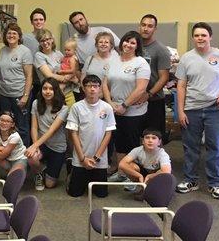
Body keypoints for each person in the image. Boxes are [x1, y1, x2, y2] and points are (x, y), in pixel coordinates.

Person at [175, 22, 219, 200]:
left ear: (210, 37)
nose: (200, 38)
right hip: (191, 110)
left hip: (216, 110)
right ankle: (191, 180)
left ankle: (215, 184)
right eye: (197, 35)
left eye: (203, 35)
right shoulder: (186, 58)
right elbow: (181, 86)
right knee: (191, 148)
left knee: (215, 147)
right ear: (193, 38)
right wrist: (180, 111)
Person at [103, 31, 150, 186]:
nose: (128, 45)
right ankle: (122, 173)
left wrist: (124, 105)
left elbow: (140, 89)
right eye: (126, 41)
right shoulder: (113, 61)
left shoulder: (141, 63)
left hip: (133, 112)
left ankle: (135, 178)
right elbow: (105, 83)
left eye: (132, 43)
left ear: (137, 46)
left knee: (132, 145)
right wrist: (109, 102)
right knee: (119, 143)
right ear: (121, 42)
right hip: (114, 110)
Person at [66, 75, 116, 198]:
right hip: (81, 158)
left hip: (99, 159)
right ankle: (71, 168)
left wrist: (97, 157)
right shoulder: (76, 107)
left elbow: (108, 134)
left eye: (95, 86)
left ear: (100, 89)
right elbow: (74, 133)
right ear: (83, 88)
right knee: (75, 193)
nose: (92, 89)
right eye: (89, 86)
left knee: (101, 194)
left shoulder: (107, 108)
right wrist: (83, 159)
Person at [25, 78, 69, 191]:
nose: (47, 91)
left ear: (56, 91)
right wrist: (36, 146)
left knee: (49, 185)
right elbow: (34, 127)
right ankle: (39, 172)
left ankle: (49, 171)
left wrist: (34, 146)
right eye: (45, 88)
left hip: (57, 147)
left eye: (51, 89)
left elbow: (51, 131)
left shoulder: (63, 108)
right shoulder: (36, 103)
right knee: (31, 157)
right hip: (42, 144)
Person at [134, 14, 172, 141]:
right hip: (133, 99)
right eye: (143, 25)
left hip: (153, 101)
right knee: (134, 136)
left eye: (150, 26)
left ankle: (154, 161)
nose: (146, 28)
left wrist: (148, 94)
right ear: (139, 26)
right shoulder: (132, 46)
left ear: (155, 29)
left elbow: (164, 77)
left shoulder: (161, 50)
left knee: (153, 138)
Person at [0, 23, 33, 145]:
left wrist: (25, 96)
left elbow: (29, 76)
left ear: (19, 36)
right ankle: (9, 152)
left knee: (22, 126)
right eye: (9, 33)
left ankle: (24, 157)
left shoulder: (25, 51)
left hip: (19, 95)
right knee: (6, 125)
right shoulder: (3, 50)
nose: (11, 35)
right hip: (4, 95)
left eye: (14, 33)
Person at [34, 29, 77, 107]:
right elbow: (49, 75)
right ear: (39, 43)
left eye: (47, 39)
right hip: (52, 95)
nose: (45, 43)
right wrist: (69, 78)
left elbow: (68, 69)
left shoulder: (58, 53)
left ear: (52, 39)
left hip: (67, 92)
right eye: (42, 40)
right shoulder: (39, 55)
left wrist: (72, 76)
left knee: (72, 117)